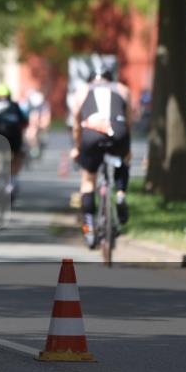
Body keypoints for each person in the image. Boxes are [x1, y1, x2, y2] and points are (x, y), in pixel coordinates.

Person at [69, 57, 131, 249]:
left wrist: (77, 148)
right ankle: (120, 194)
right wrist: (127, 148)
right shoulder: (122, 89)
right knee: (123, 160)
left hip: (91, 135)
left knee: (88, 180)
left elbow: (76, 126)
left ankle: (89, 226)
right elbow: (130, 122)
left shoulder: (82, 92)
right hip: (118, 133)